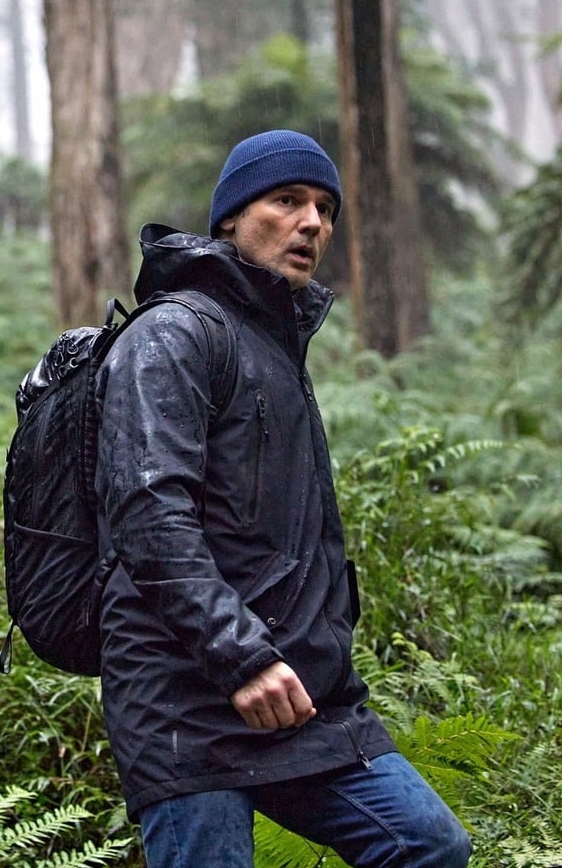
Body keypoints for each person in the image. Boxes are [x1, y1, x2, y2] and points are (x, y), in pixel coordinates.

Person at [94, 131, 471, 867]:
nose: (313, 225)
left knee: (428, 846)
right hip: (184, 697)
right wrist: (241, 657)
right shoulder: (173, 335)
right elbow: (149, 517)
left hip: (298, 697)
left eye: (326, 209)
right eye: (288, 200)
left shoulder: (275, 346)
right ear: (231, 216)